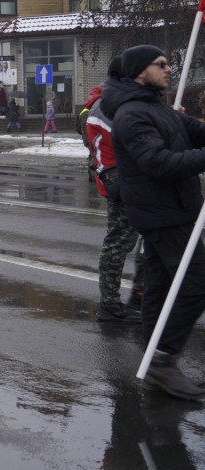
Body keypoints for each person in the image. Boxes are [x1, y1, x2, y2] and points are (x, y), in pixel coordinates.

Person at [104, 44, 205, 399]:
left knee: (160, 290)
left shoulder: (157, 108)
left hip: (175, 211)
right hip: (164, 214)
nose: (168, 68)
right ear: (138, 71)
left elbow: (195, 133)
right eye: (160, 64)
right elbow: (158, 163)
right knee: (196, 285)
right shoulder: (133, 114)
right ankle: (163, 360)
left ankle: (153, 362)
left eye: (169, 62)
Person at [86, 57, 143, 323]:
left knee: (148, 237)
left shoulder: (112, 101)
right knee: (119, 242)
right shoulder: (108, 106)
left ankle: (140, 296)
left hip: (126, 179)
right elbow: (134, 143)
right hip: (121, 181)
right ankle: (110, 304)